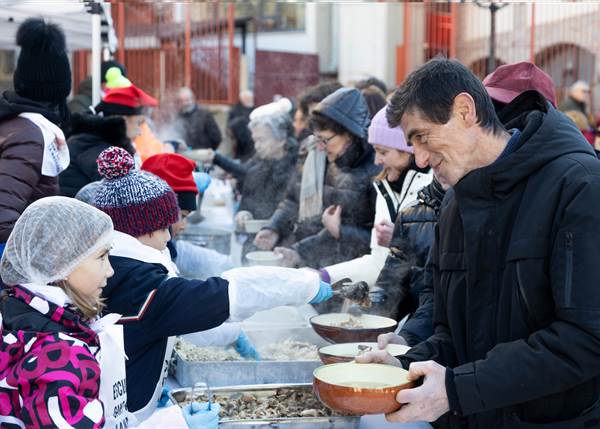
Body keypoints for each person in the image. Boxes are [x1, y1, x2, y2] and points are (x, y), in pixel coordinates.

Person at [359, 57, 600, 428]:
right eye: (412, 144)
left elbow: (585, 339)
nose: (420, 159)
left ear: (465, 111)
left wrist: (457, 390)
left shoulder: (579, 185)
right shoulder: (456, 203)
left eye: (422, 137)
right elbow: (452, 332)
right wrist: (405, 364)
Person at [92, 147, 332, 419]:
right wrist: (305, 285)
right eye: (164, 227)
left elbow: (173, 316)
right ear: (142, 229)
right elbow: (227, 293)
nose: (170, 238)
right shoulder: (142, 285)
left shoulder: (114, 266)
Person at [254, 88, 380, 269]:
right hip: (321, 264)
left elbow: (385, 243)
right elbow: (293, 200)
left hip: (355, 274)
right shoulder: (325, 157)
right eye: (317, 138)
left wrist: (340, 232)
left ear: (350, 133)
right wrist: (276, 230)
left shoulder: (378, 168)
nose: (319, 147)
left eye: (325, 139)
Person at [319, 106, 431, 288]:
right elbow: (378, 263)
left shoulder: (436, 186)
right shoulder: (384, 188)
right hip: (392, 305)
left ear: (409, 150)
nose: (377, 160)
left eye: (384, 152)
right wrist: (325, 276)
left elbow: (439, 264)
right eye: (376, 151)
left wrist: (399, 241)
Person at [0, 18, 72, 256]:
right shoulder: (31, 135)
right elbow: (2, 217)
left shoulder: (17, 121)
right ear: (60, 87)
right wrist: (36, 263)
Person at [196, 99, 298, 230]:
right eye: (255, 140)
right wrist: (244, 213)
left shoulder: (296, 166)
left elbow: (290, 209)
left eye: (262, 140)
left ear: (281, 139)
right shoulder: (260, 162)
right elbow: (249, 198)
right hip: (255, 236)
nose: (257, 146)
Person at [59, 67, 157, 197]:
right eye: (138, 123)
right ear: (123, 121)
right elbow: (121, 200)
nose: (140, 132)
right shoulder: (104, 153)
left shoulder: (97, 141)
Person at [141, 152, 234, 279]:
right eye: (182, 216)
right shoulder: (144, 261)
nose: (184, 226)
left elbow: (185, 254)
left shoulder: (166, 247)